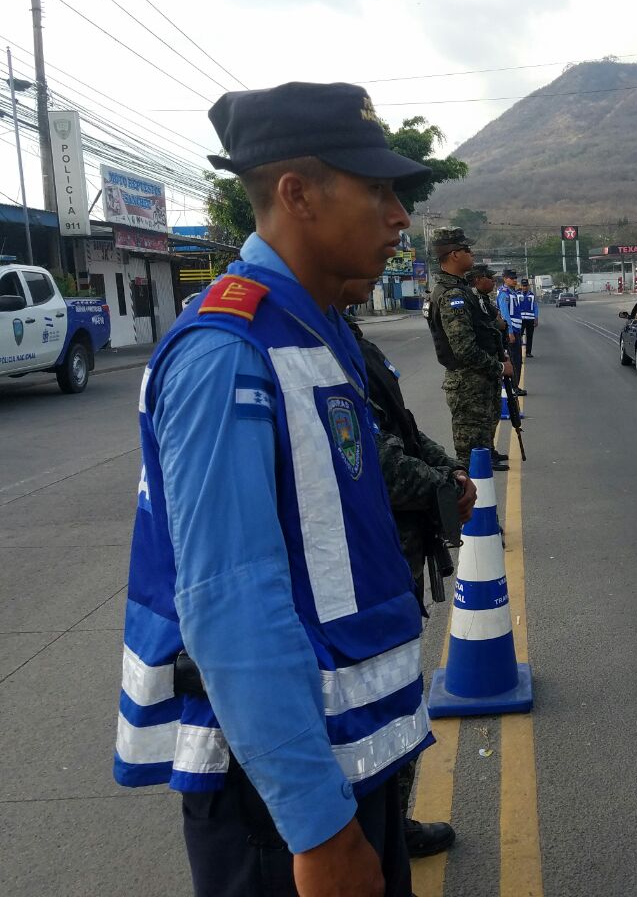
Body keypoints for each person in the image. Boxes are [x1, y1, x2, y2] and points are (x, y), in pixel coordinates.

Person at [114, 82, 438, 897]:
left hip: (348, 760)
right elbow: (231, 603)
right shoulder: (228, 352)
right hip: (276, 799)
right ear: (297, 194)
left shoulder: (312, 326)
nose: (399, 216)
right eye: (377, 190)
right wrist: (319, 828)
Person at [340, 278, 476, 858]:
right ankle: (375, 838)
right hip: (368, 559)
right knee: (378, 693)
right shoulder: (313, 345)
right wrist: (444, 486)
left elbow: (404, 428)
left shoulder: (346, 336)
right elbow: (372, 460)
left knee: (396, 685)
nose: (391, 235)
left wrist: (451, 472)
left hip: (395, 553)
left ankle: (391, 828)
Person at [427, 229, 512, 471]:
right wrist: (499, 367)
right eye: (467, 250)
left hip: (477, 381)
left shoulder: (461, 289)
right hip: (468, 383)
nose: (471, 254)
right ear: (454, 254)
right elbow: (464, 348)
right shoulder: (452, 294)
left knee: (481, 448)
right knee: (472, 458)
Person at [468, 263, 510, 463]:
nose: (493, 282)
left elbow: (496, 322)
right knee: (481, 417)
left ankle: (490, 450)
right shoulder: (472, 299)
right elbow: (485, 326)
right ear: (477, 279)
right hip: (481, 366)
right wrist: (498, 323)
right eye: (489, 278)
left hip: (492, 360)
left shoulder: (484, 300)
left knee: (492, 413)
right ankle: (483, 457)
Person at [496, 269, 526, 394]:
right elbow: (505, 314)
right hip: (511, 331)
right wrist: (510, 332)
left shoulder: (512, 292)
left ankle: (515, 385)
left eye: (515, 278)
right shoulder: (504, 293)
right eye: (511, 278)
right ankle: (514, 387)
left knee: (517, 359)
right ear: (505, 279)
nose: (514, 280)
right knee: (514, 360)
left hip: (516, 329)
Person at [517, 278, 539, 357]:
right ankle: (518, 353)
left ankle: (528, 352)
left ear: (528, 286)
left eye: (526, 286)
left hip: (530, 319)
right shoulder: (517, 294)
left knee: (530, 336)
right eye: (523, 286)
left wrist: (536, 318)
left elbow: (535, 307)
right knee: (519, 336)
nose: (525, 287)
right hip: (521, 319)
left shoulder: (532, 295)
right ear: (521, 286)